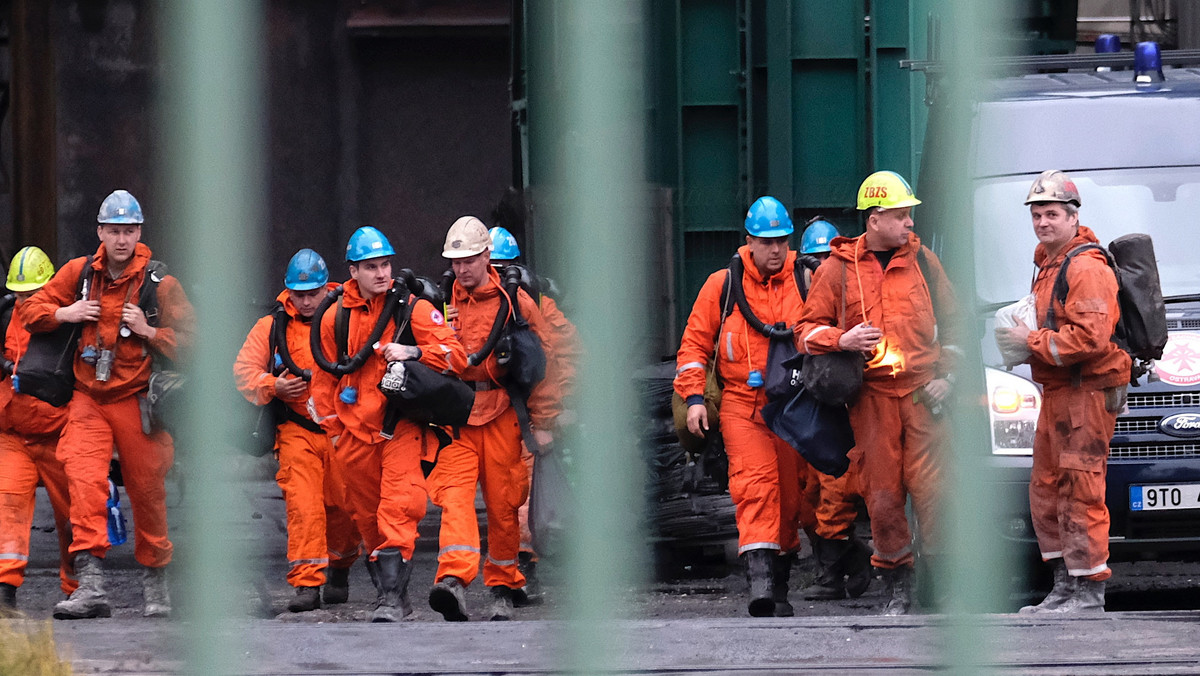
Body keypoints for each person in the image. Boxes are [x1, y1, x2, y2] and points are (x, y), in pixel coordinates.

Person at [23, 189, 196, 619]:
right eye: (115, 231)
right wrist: (67, 313)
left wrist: (151, 333)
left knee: (148, 491)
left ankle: (156, 581)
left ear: (140, 232)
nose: (122, 240)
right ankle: (91, 586)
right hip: (87, 399)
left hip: (137, 401)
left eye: (130, 231)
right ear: (100, 232)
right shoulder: (80, 274)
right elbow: (31, 308)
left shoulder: (161, 285)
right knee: (83, 482)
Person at [796, 172, 959, 615]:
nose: (910, 223)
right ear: (875, 219)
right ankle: (897, 585)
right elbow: (804, 333)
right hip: (871, 401)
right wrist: (841, 340)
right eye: (902, 215)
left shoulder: (924, 262)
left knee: (935, 492)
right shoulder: (837, 270)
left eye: (910, 215)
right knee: (883, 496)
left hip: (925, 395)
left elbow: (958, 326)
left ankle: (941, 585)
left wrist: (949, 376)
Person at [310, 226, 466, 622]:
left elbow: (456, 355)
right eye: (371, 267)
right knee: (366, 519)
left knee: (402, 505)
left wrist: (414, 350)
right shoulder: (334, 317)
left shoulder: (412, 308)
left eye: (385, 265)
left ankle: (392, 599)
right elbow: (324, 378)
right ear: (353, 271)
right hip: (353, 436)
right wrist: (334, 431)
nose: (381, 273)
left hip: (400, 428)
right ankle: (389, 593)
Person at [995, 170, 1129, 614]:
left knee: (1081, 490)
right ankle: (1065, 588)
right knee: (1048, 489)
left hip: (1085, 395)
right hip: (1059, 393)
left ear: (1073, 218)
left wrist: (1027, 343)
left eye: (1051, 214)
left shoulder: (1086, 267)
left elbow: (1089, 340)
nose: (1042, 223)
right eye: (1036, 214)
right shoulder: (1050, 264)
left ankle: (1088, 592)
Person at [674, 196, 811, 617]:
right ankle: (761, 585)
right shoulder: (723, 286)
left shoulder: (806, 281)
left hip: (792, 407)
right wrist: (695, 399)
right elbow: (694, 347)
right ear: (748, 241)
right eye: (766, 242)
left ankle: (781, 586)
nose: (775, 250)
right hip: (741, 406)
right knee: (756, 487)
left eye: (782, 242)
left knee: (791, 499)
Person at [428, 215, 560, 622]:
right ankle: (453, 580)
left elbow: (546, 361)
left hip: (503, 414)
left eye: (470, 259)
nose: (462, 268)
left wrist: (546, 421)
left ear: (487, 256)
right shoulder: (439, 303)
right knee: (455, 499)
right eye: (456, 261)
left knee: (504, 506)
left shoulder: (515, 302)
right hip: (458, 416)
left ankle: (503, 583)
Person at [234, 248, 362, 612]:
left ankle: (340, 566)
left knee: (345, 508)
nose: (306, 302)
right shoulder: (271, 327)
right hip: (297, 429)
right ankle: (307, 583)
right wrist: (274, 386)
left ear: (327, 288)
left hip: (341, 429)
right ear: (288, 292)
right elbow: (244, 370)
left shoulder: (347, 319)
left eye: (313, 293)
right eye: (299, 294)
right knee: (303, 506)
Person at [487, 225, 580, 595]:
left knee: (522, 494)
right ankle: (511, 571)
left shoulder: (539, 306)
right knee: (499, 496)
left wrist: (565, 405)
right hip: (487, 413)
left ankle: (523, 572)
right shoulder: (458, 304)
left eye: (504, 266)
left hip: (530, 414)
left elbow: (569, 356)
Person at [792, 219, 873, 602]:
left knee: (836, 489)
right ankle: (855, 565)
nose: (821, 267)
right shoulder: (797, 295)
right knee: (809, 494)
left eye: (827, 257)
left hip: (846, 403)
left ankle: (834, 575)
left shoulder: (855, 287)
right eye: (815, 259)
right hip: (807, 406)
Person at [0, 247, 76, 611]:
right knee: (7, 508)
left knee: (73, 515)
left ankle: (76, 589)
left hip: (59, 433)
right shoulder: (3, 317)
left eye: (32, 294)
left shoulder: (68, 320)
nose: (25, 301)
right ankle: (5, 589)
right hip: (12, 434)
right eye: (19, 294)